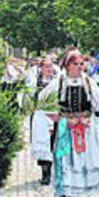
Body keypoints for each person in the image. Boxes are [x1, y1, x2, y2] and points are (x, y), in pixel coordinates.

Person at [38, 50, 99, 197]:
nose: (79, 67)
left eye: (81, 64)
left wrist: (88, 116)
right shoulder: (60, 81)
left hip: (84, 129)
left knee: (82, 163)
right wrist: (57, 116)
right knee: (68, 164)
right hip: (66, 129)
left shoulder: (87, 81)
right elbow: (42, 98)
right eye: (75, 64)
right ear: (67, 65)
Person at [28, 57, 57, 185]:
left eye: (50, 66)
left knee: (53, 144)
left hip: (54, 116)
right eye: (46, 67)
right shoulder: (35, 82)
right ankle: (45, 173)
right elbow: (29, 97)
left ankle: (53, 171)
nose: (49, 69)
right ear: (41, 68)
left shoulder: (56, 81)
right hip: (40, 117)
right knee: (42, 145)